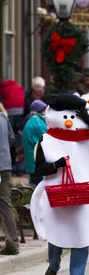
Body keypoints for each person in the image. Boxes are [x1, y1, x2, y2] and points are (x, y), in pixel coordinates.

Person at [30, 94, 89, 275]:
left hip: (83, 195)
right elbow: (40, 167)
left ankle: (77, 273)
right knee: (56, 233)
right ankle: (54, 265)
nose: (68, 122)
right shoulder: (47, 140)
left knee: (82, 235)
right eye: (65, 117)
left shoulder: (88, 138)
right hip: (55, 195)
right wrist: (56, 165)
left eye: (72, 118)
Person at [0, 107, 19, 255]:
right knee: (5, 203)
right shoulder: (3, 118)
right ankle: (12, 243)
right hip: (4, 166)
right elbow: (11, 139)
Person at [21, 99, 48, 186]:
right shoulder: (38, 123)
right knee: (38, 185)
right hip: (37, 160)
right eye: (44, 109)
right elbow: (47, 137)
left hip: (32, 160)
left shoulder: (32, 121)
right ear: (40, 110)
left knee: (33, 184)